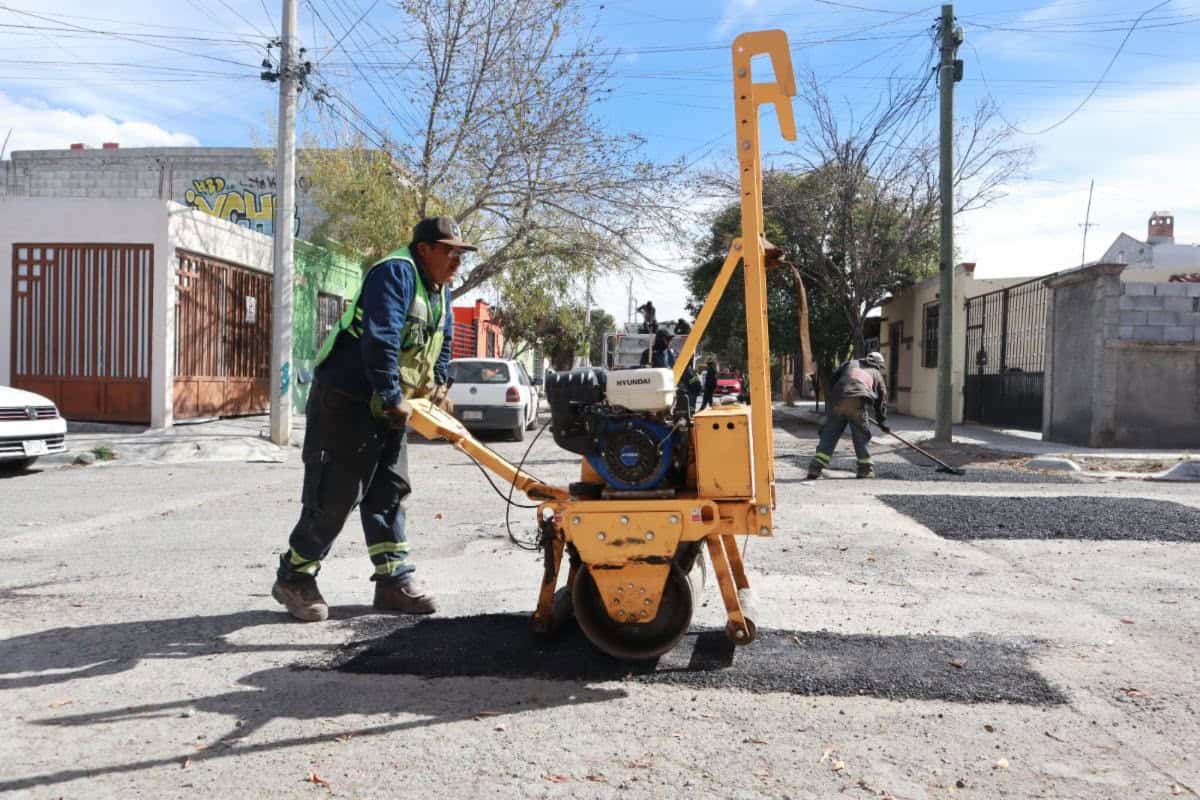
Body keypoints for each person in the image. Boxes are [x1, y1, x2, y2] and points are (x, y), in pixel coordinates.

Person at [271, 216, 476, 622]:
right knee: (336, 494)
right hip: (347, 399)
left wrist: (437, 386)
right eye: (449, 251)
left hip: (389, 404)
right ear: (424, 250)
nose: (457, 260)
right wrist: (392, 394)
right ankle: (294, 577)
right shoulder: (395, 273)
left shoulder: (440, 290)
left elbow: (443, 340)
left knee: (389, 491)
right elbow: (381, 337)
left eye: (460, 253)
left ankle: (392, 581)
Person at [807, 351, 888, 480]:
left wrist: (833, 398)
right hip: (857, 403)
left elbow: (833, 378)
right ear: (878, 365)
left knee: (830, 434)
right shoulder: (876, 373)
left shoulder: (850, 363)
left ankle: (815, 468)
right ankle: (865, 470)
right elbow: (881, 399)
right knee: (861, 436)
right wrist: (882, 421)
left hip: (838, 400)